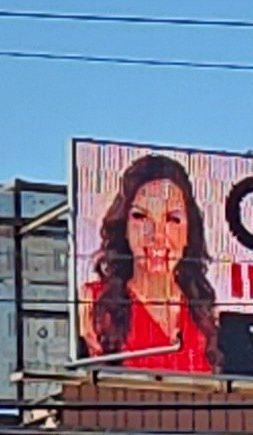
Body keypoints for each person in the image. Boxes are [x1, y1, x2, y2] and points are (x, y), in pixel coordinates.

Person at [85, 154, 217, 375]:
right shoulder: (94, 302)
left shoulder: (204, 316)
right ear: (124, 226)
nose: (157, 234)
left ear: (189, 231)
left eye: (172, 219)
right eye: (141, 217)